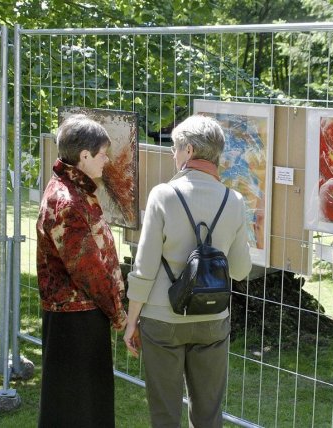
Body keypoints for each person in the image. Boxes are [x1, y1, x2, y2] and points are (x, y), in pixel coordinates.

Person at [124, 115, 252, 428]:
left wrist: (131, 321)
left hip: (162, 319)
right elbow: (240, 270)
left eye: (175, 148)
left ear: (190, 150)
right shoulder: (234, 201)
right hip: (212, 318)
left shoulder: (163, 195)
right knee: (208, 415)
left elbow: (144, 268)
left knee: (165, 414)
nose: (173, 154)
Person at [36, 114, 127, 427]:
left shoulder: (73, 191)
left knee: (81, 405)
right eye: (102, 154)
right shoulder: (68, 201)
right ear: (84, 156)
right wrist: (118, 313)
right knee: (79, 408)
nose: (107, 160)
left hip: (77, 315)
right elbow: (89, 270)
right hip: (76, 320)